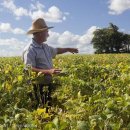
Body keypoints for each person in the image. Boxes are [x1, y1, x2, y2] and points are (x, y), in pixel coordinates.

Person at [23, 18, 78, 108]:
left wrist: (68, 49)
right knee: (41, 109)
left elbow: (57, 50)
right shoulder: (30, 50)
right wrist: (48, 71)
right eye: (47, 32)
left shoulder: (45, 47)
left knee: (49, 107)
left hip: (47, 84)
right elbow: (29, 69)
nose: (48, 35)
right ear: (40, 33)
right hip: (37, 88)